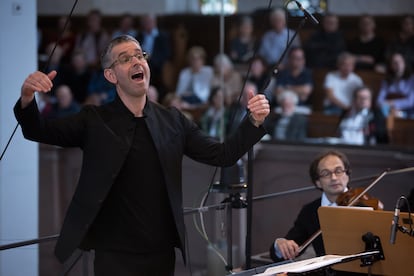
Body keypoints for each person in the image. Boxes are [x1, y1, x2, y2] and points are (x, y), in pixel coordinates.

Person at [14, 35, 270, 275]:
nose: (137, 61)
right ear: (110, 75)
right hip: (113, 253)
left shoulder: (172, 121)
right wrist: (27, 98)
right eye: (125, 59)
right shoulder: (94, 120)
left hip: (161, 252)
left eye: (140, 55)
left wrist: (253, 122)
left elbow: (223, 155)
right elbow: (38, 130)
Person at [269, 150, 370, 276]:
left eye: (338, 171)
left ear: (347, 174)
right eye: (326, 173)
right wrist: (281, 244)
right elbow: (291, 247)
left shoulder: (364, 206)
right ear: (318, 182)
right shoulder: (310, 211)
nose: (334, 178)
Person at [376, 52, 414, 119]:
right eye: (394, 62)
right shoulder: (386, 81)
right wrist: (391, 108)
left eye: (400, 61)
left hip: (408, 111)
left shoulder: (412, 79)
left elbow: (410, 102)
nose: (398, 64)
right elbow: (379, 101)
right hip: (389, 111)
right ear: (391, 66)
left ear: (404, 63)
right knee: (381, 111)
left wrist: (392, 103)